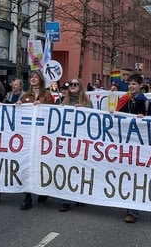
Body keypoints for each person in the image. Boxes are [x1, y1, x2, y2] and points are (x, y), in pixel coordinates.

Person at [115, 73, 151, 223]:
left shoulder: (145, 102)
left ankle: (134, 211)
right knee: (125, 174)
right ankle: (128, 205)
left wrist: (145, 119)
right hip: (125, 143)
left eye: (134, 84)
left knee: (136, 176)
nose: (131, 86)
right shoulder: (124, 100)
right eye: (129, 84)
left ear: (141, 85)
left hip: (139, 144)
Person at [18, 70, 56, 210]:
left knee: (40, 165)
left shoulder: (46, 95)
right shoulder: (25, 95)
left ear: (40, 80)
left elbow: (53, 113)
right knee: (27, 165)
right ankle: (27, 196)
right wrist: (18, 106)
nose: (33, 79)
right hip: (28, 137)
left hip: (41, 137)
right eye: (31, 77)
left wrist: (43, 105)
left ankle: (42, 189)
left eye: (36, 77)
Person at [57, 78, 92, 212]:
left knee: (79, 169)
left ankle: (79, 196)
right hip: (66, 142)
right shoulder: (62, 102)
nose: (72, 86)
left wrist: (84, 110)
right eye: (71, 84)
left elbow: (93, 121)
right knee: (67, 170)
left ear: (81, 86)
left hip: (81, 142)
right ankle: (66, 200)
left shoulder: (87, 103)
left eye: (75, 84)